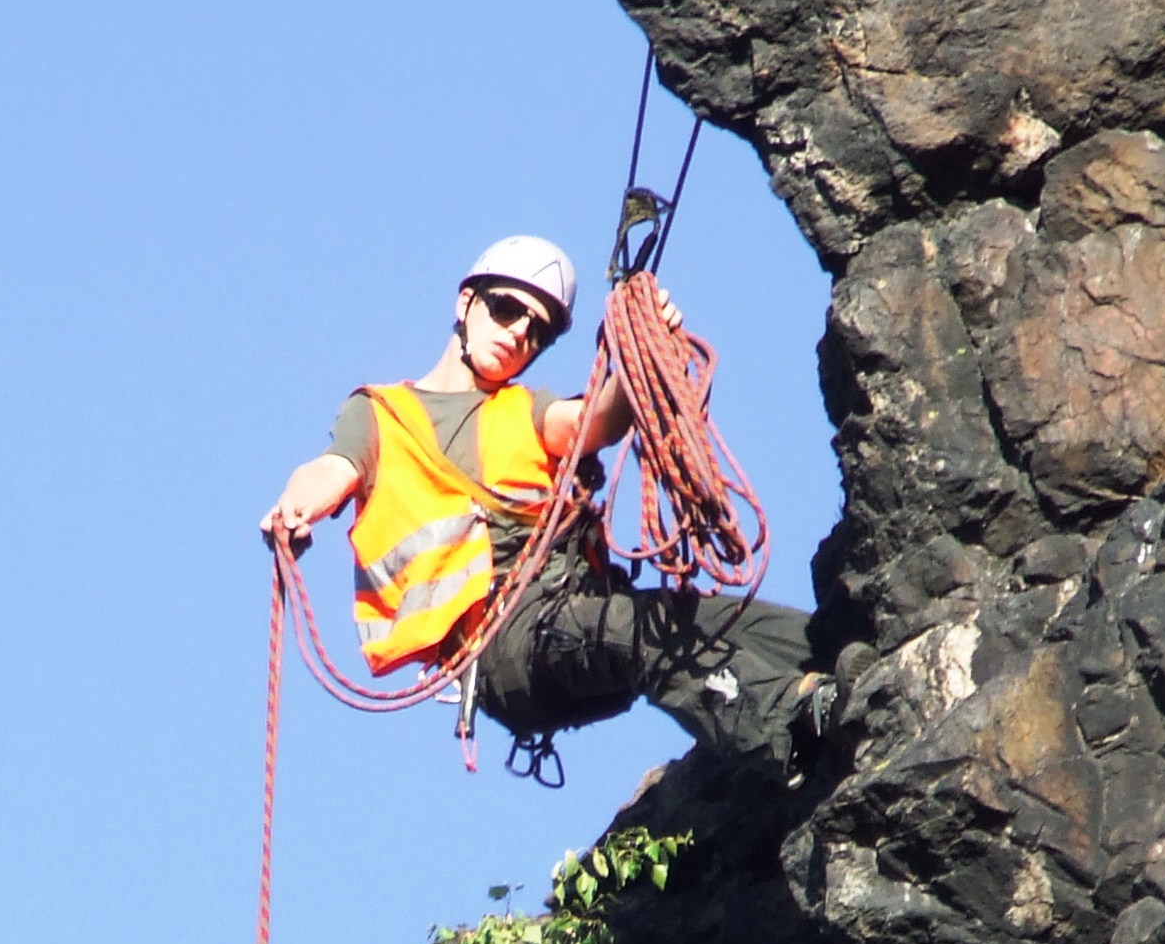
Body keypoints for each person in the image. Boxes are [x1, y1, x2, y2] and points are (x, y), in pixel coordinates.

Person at [259, 235, 815, 776]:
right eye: (507, 310)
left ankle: (836, 653)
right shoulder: (384, 413)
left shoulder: (524, 411)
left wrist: (645, 347)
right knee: (646, 632)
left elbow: (595, 422)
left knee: (721, 621)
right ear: (466, 302)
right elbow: (333, 469)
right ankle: (790, 727)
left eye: (538, 332)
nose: (520, 333)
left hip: (570, 618)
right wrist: (295, 507)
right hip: (503, 645)